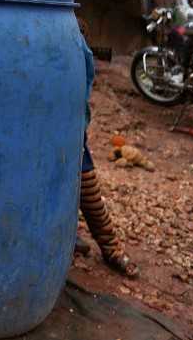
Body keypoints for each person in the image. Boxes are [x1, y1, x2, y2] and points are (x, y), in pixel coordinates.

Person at [76, 22, 139, 277]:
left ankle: (110, 247)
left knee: (85, 184)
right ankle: (64, 237)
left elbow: (80, 98)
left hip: (67, 131)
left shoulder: (80, 52)